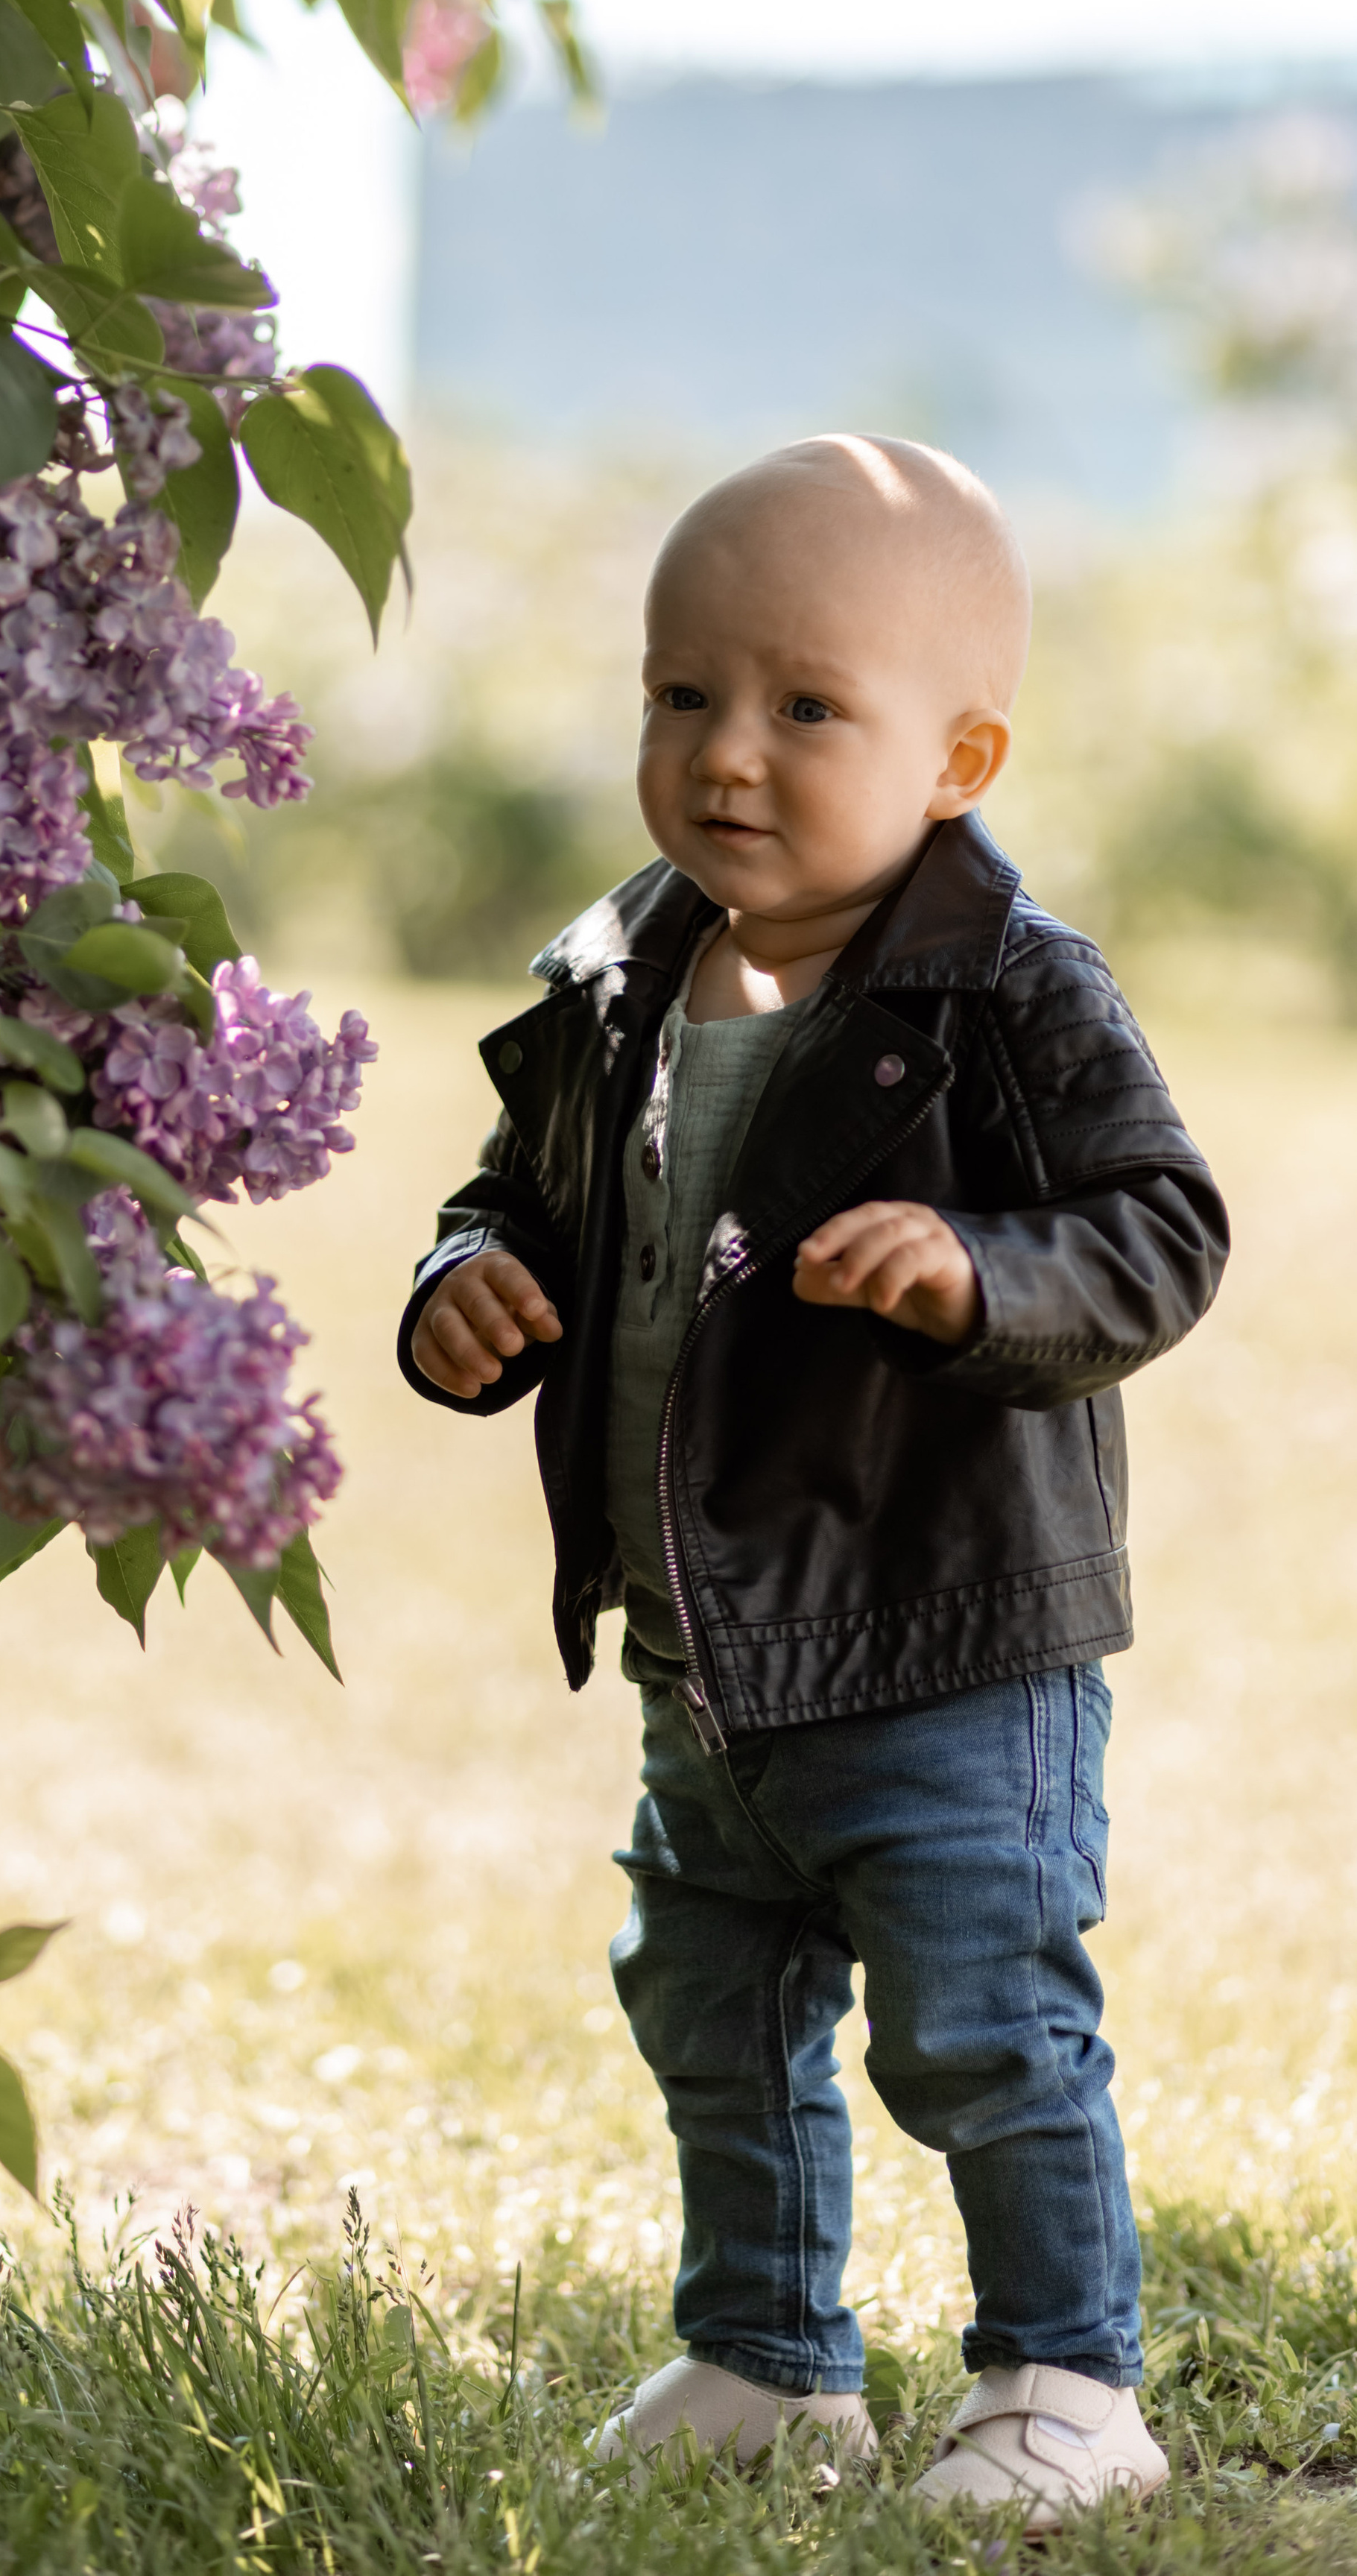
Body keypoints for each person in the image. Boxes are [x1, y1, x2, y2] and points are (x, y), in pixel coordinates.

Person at [396, 435, 1228, 2531]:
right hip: (709, 1650)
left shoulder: (1006, 989)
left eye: (806, 707)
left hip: (944, 1641)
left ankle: (1068, 2383)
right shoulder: (620, 974)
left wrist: (978, 1273)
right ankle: (767, 2364)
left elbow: (1162, 1228)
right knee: (714, 2003)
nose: (726, 755)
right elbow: (519, 1194)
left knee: (982, 2026)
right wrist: (463, 1279)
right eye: (684, 694)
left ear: (960, 759)